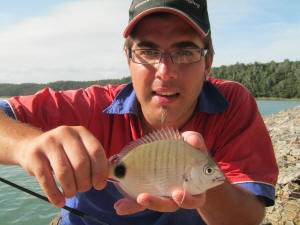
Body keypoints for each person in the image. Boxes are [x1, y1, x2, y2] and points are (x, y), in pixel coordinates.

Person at [0, 0, 278, 224]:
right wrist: (26, 145)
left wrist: (205, 187)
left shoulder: (232, 104)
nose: (165, 72)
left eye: (185, 52)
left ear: (208, 63)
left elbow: (248, 217)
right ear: (129, 60)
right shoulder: (90, 105)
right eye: (148, 51)